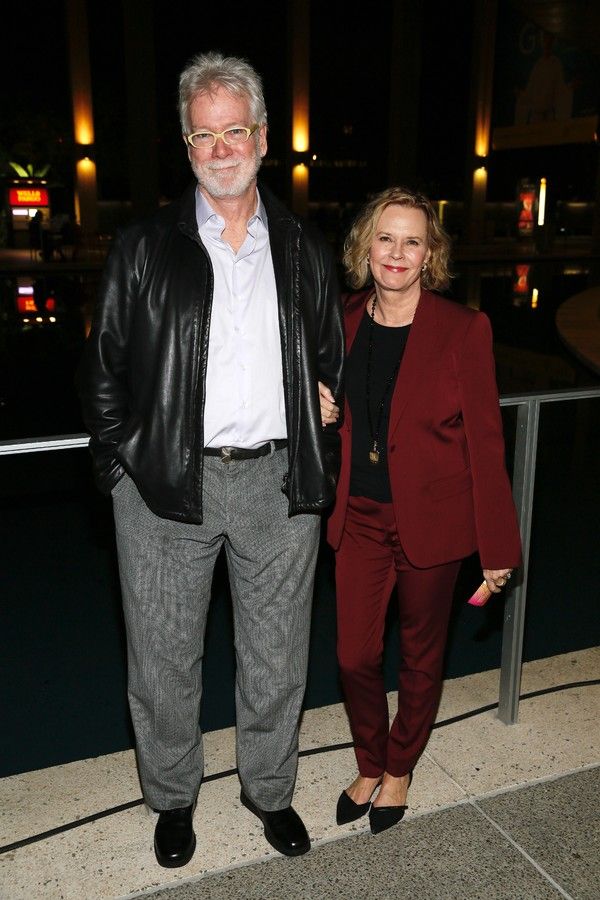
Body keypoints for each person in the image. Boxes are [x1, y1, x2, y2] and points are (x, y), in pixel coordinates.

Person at [77, 51, 344, 867]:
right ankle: (172, 800)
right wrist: (121, 471)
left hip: (277, 480)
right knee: (161, 658)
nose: (222, 148)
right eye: (205, 135)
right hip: (164, 485)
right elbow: (104, 368)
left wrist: (320, 407)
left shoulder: (302, 246)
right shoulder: (144, 244)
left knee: (276, 656)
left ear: (263, 139)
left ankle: (269, 792)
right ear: (187, 148)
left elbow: (327, 353)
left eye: (236, 131)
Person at [319, 186, 521, 835]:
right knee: (353, 655)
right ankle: (369, 757)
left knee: (420, 656)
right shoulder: (343, 317)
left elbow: (488, 445)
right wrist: (322, 410)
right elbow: (330, 404)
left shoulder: (463, 329)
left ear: (429, 253)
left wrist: (497, 550)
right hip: (360, 518)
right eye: (385, 238)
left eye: (412, 240)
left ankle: (399, 767)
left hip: (433, 523)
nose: (397, 253)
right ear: (365, 246)